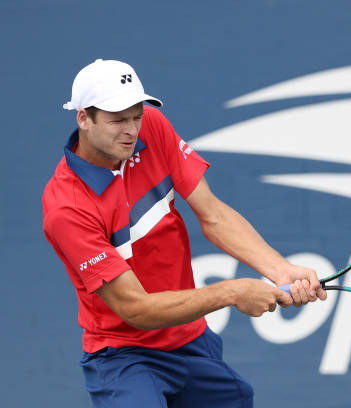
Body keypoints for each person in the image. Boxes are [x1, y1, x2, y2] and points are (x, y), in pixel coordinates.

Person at [42, 59, 327, 408]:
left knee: (237, 399)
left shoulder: (152, 128)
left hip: (189, 339)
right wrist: (233, 291)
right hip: (124, 354)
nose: (131, 130)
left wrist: (280, 269)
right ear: (84, 118)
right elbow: (136, 308)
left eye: (136, 115)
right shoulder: (66, 208)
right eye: (117, 120)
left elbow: (213, 215)